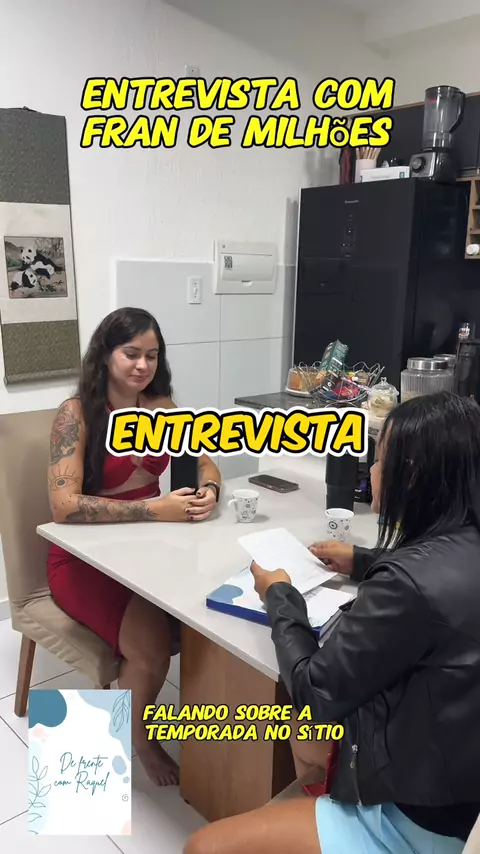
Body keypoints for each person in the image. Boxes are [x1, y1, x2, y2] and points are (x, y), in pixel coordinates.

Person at [184, 391, 480, 854]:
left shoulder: (407, 584)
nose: (371, 472)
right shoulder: (463, 543)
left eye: (377, 460)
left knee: (203, 847)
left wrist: (279, 594)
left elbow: (313, 692)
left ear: (411, 474)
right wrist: (362, 559)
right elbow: (439, 581)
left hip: (417, 820)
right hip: (455, 783)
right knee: (304, 739)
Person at [47, 307, 221, 786]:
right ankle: (140, 741)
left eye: (152, 355)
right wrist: (153, 509)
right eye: (131, 353)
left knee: (215, 616)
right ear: (105, 355)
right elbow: (63, 505)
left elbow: (205, 463)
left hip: (149, 548)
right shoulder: (76, 414)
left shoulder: (162, 407)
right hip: (83, 558)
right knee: (152, 651)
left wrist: (210, 490)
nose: (143, 365)